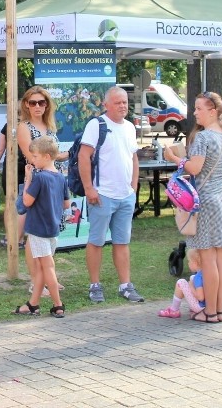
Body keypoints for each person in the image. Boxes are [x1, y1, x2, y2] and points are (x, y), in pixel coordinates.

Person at [164, 91, 222, 323]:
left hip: (205, 200)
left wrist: (175, 158)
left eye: (198, 108)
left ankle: (210, 311)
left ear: (213, 111)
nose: (195, 112)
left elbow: (194, 169)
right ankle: (221, 309)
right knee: (221, 257)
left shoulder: (204, 138)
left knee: (208, 259)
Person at [79, 86, 142, 303]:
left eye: (125, 102)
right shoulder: (96, 125)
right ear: (106, 105)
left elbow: (133, 157)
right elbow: (84, 156)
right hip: (102, 194)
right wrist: (89, 188)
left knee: (122, 242)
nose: (123, 106)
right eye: (117, 102)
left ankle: (125, 285)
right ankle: (94, 285)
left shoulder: (130, 127)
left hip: (125, 195)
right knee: (96, 241)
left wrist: (133, 186)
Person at [13, 136, 69, 317]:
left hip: (38, 230)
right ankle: (33, 304)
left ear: (46, 156)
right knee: (41, 268)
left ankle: (58, 305)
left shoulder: (40, 178)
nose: (32, 160)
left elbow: (27, 201)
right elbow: (66, 204)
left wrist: (28, 180)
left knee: (47, 267)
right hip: (52, 228)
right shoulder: (60, 177)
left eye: (35, 156)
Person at [157, 248, 205, 319]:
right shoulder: (206, 273)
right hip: (209, 306)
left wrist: (190, 286)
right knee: (192, 277)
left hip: (200, 307)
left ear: (195, 263)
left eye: (189, 261)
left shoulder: (198, 277)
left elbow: (200, 297)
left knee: (181, 282)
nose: (188, 263)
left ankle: (174, 310)